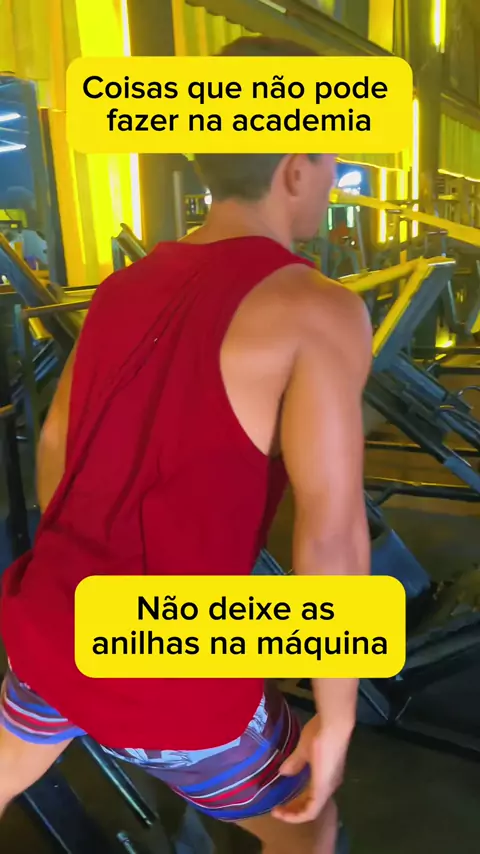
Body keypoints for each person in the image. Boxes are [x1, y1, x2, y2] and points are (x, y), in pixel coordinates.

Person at [0, 36, 371, 854]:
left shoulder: (120, 288)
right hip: (170, 670)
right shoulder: (320, 309)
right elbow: (333, 535)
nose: (335, 175)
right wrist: (338, 715)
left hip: (51, 627)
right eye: (334, 156)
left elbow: (56, 446)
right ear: (296, 166)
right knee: (309, 825)